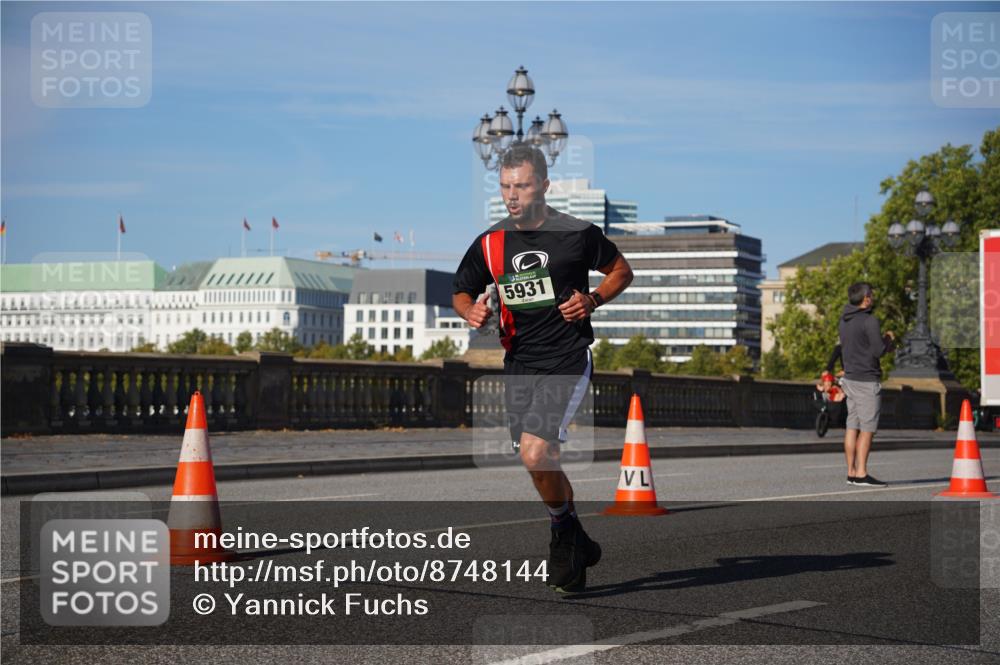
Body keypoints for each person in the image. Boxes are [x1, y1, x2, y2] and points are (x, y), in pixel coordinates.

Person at [452, 144, 634, 593]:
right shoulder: (491, 243)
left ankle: (560, 535)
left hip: (567, 357)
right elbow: (461, 290)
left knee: (536, 452)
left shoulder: (576, 234)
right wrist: (469, 312)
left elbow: (621, 271)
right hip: (520, 363)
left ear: (545, 186)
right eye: (506, 186)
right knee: (538, 460)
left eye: (523, 185)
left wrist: (592, 299)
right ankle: (573, 533)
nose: (512, 195)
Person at [838, 282, 895, 487]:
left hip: (850, 379)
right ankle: (861, 473)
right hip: (867, 380)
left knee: (852, 426)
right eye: (871, 295)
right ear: (866, 298)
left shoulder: (844, 320)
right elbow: (878, 351)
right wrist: (888, 339)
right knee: (868, 428)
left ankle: (851, 472)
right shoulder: (870, 320)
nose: (872, 297)